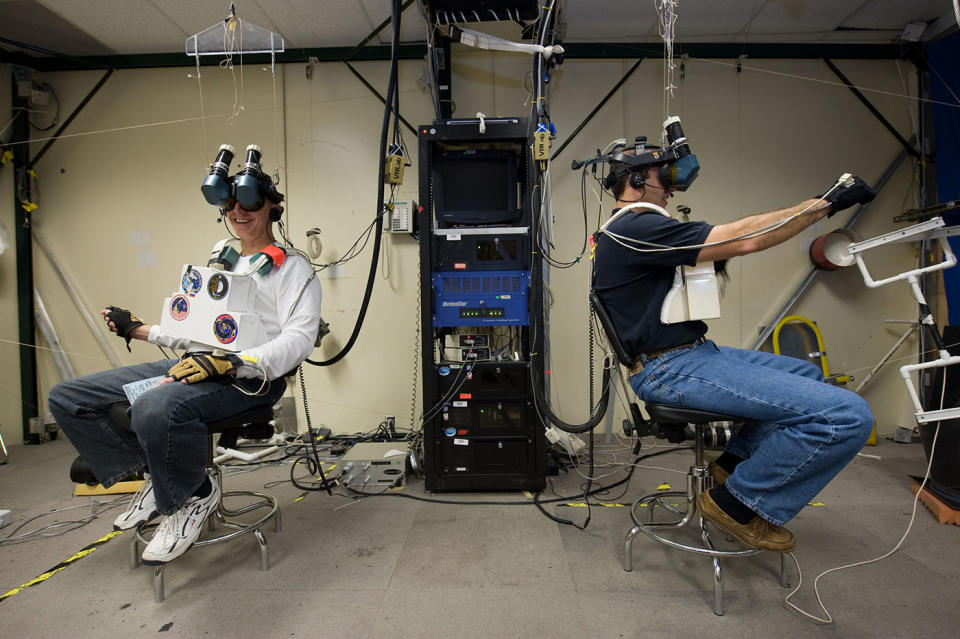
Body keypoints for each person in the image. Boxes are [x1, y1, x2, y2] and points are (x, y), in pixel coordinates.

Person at [591, 143, 876, 552]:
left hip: (691, 352)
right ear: (636, 180)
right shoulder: (636, 227)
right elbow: (746, 238)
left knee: (806, 374)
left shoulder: (636, 229)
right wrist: (823, 205)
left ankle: (733, 466)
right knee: (847, 415)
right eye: (663, 177)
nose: (671, 188)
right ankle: (737, 503)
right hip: (668, 368)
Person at [48, 169, 322, 564]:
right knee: (70, 397)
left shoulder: (293, 268)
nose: (238, 212)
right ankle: (157, 477)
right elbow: (195, 330)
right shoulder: (222, 260)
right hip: (198, 366)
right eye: (230, 205)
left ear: (272, 208)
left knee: (154, 407)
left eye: (249, 204)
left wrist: (231, 362)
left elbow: (297, 341)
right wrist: (138, 329)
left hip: (251, 380)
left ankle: (192, 495)